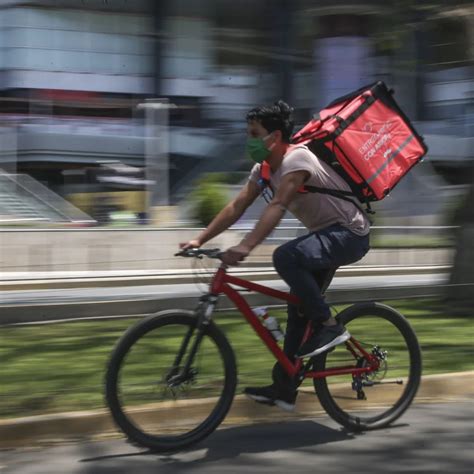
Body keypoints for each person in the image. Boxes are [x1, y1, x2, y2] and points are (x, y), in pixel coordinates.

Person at [180, 100, 370, 412]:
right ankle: (284, 388)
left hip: (349, 234)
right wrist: (199, 238)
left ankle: (329, 325)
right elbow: (236, 206)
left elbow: (278, 206)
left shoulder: (297, 159)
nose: (248, 139)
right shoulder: (264, 168)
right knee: (297, 312)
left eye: (254, 133)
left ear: (275, 136)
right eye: (247, 133)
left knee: (285, 257)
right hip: (324, 235)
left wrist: (245, 246)